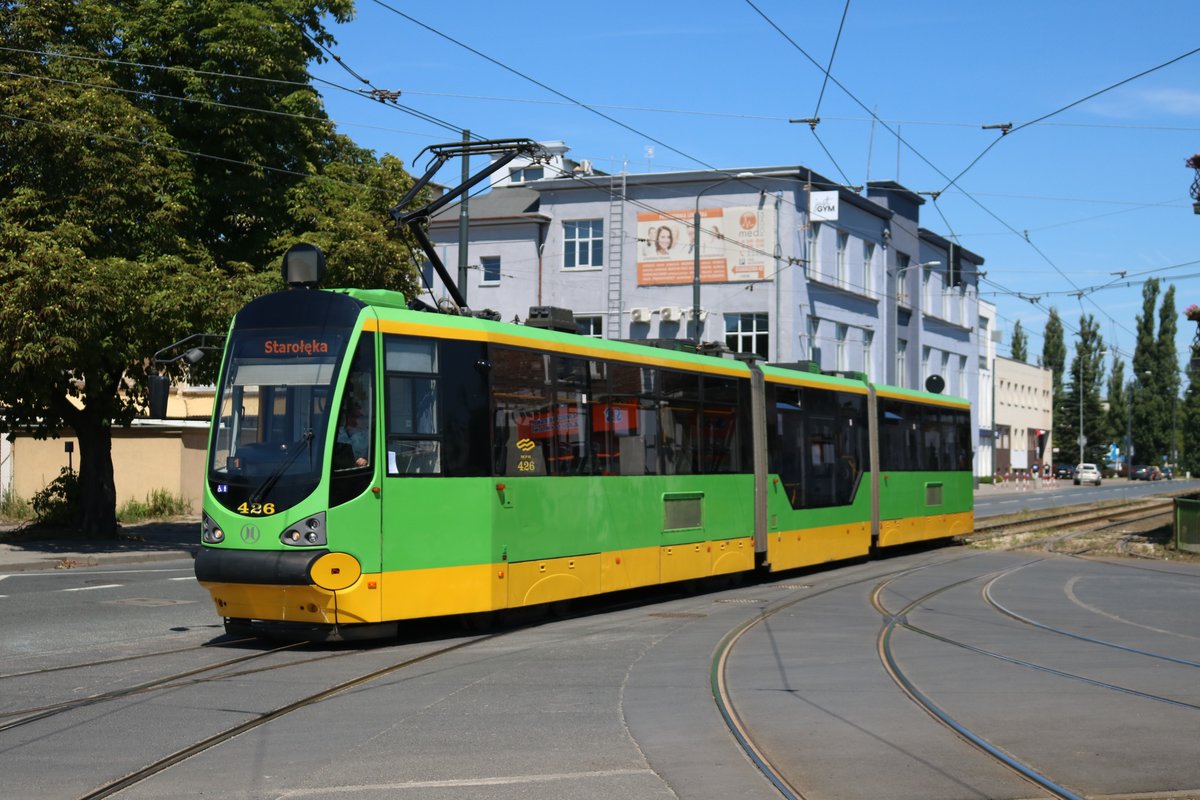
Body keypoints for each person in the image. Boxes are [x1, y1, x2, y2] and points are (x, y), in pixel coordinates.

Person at [336, 401, 370, 468]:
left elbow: (377, 454)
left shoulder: (369, 435)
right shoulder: (337, 433)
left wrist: (366, 459)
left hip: (361, 472)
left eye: (363, 417)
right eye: (359, 417)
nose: (363, 421)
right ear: (349, 418)